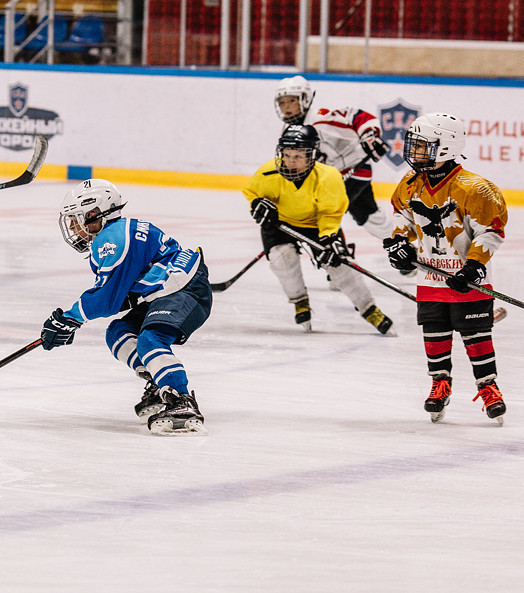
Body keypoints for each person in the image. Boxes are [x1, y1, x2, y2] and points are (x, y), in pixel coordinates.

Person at [39, 179, 212, 436]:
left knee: (151, 339)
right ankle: (159, 383)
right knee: (118, 332)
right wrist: (72, 319)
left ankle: (181, 400)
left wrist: (69, 318)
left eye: (77, 219)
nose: (74, 227)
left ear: (96, 213)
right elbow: (119, 295)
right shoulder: (115, 233)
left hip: (184, 288)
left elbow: (107, 299)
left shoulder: (113, 240)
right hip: (165, 290)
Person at [382, 113, 508, 424]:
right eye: (416, 145)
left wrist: (475, 266)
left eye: (424, 146)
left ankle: (488, 385)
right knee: (434, 331)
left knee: (476, 334)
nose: (415, 152)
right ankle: (440, 382)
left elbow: (492, 231)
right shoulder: (411, 184)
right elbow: (403, 217)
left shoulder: (475, 188)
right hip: (431, 279)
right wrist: (399, 243)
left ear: (446, 148)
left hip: (466, 279)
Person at [243, 124, 394, 335]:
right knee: (281, 259)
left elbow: (329, 213)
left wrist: (329, 236)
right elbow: (252, 192)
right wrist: (257, 204)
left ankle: (370, 309)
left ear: (312, 155)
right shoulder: (268, 173)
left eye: (298, 156)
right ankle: (299, 301)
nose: (291, 161)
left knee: (340, 265)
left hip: (316, 225)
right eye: (287, 155)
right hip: (280, 223)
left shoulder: (328, 177)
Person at [274, 75, 395, 242]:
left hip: (354, 171)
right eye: (282, 102)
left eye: (291, 101)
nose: (286, 107)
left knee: (325, 210)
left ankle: (339, 251)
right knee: (370, 218)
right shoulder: (289, 130)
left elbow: (355, 116)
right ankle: (404, 246)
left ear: (305, 99)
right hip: (333, 178)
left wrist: (370, 136)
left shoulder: (320, 120)